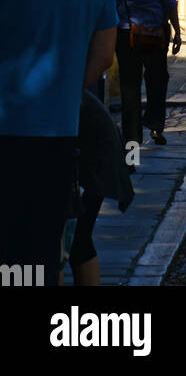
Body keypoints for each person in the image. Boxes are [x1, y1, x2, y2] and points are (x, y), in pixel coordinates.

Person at [0, 0, 117, 286]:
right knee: (44, 239)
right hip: (58, 131)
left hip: (6, 125)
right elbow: (104, 55)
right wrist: (66, 91)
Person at [112, 0, 181, 153]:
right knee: (157, 80)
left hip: (126, 32)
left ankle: (131, 139)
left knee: (129, 88)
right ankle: (155, 124)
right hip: (155, 31)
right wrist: (177, 28)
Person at [61, 88, 134, 287]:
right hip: (81, 140)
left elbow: (104, 58)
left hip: (89, 150)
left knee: (74, 238)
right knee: (72, 240)